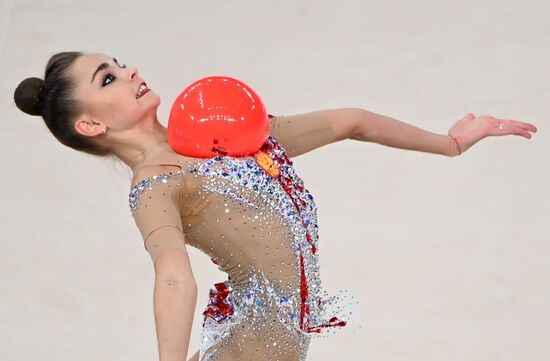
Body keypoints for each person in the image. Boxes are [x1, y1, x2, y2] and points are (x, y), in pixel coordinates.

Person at [13, 52, 538, 361]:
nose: (129, 73)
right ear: (90, 125)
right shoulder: (156, 185)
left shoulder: (219, 135)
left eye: (120, 64)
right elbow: (174, 278)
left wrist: (448, 143)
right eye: (107, 79)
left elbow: (349, 121)